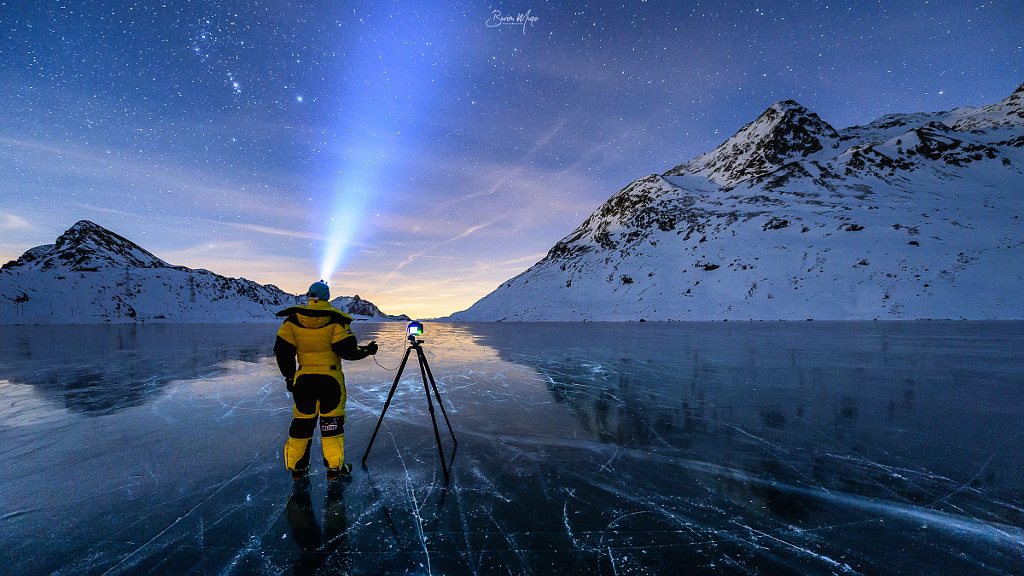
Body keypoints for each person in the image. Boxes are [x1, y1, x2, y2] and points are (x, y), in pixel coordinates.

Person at [274, 281, 377, 481]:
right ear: (327, 296)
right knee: (332, 425)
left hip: (303, 380)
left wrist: (289, 376)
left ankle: (298, 468)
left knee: (302, 425)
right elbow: (347, 351)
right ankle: (334, 469)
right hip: (330, 381)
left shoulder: (293, 321)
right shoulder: (336, 321)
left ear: (309, 296)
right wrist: (368, 351)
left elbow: (282, 351)